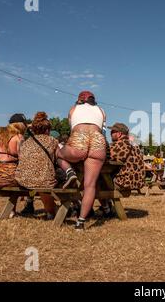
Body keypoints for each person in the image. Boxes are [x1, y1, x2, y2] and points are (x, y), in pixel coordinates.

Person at [56, 91, 107, 230]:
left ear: (79, 100)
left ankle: (70, 172)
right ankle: (81, 222)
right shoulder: (101, 111)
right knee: (90, 185)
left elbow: (72, 128)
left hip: (79, 137)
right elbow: (102, 129)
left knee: (57, 153)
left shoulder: (73, 109)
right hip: (98, 140)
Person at [15, 112, 59, 218]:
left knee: (40, 178)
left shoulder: (26, 142)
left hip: (22, 180)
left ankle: (34, 205)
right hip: (43, 180)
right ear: (48, 130)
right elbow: (58, 159)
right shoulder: (52, 140)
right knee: (48, 179)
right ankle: (53, 211)